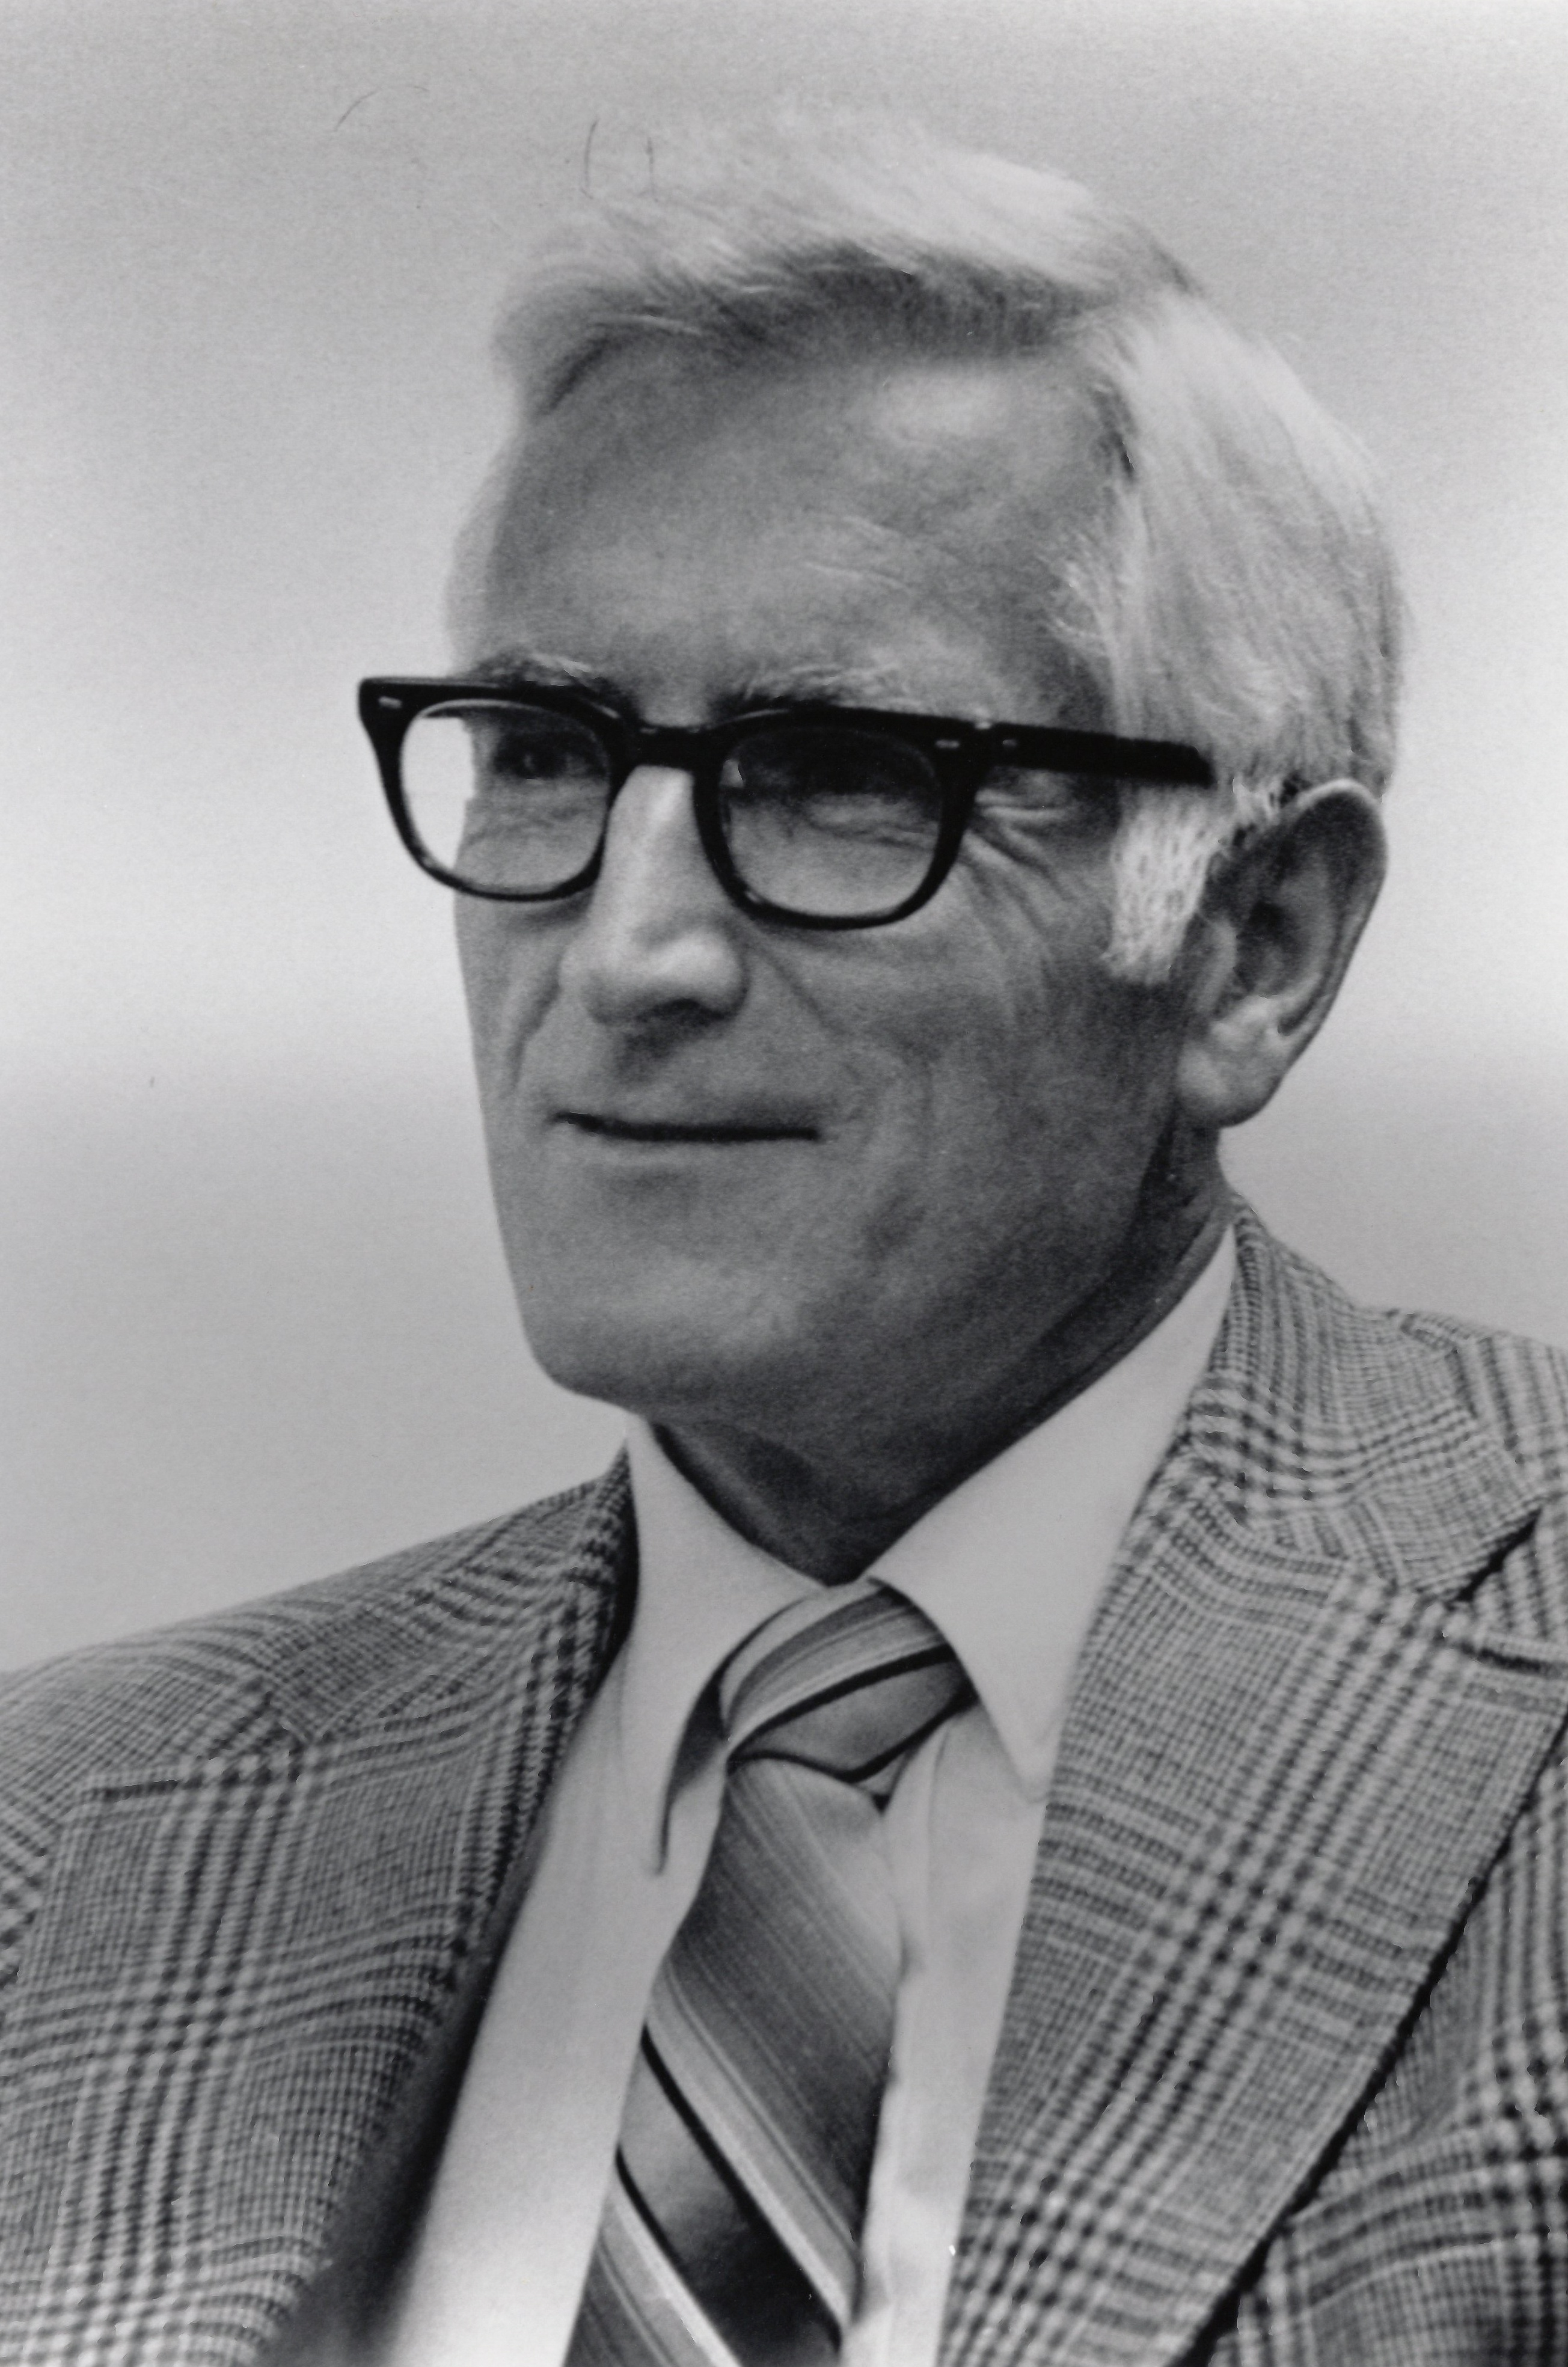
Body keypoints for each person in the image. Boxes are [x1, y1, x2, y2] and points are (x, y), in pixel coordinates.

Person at [3, 117, 1566, 2367]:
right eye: (544, 751)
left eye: (844, 769)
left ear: (1256, 944)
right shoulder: (65, 1841)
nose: (628, 953)